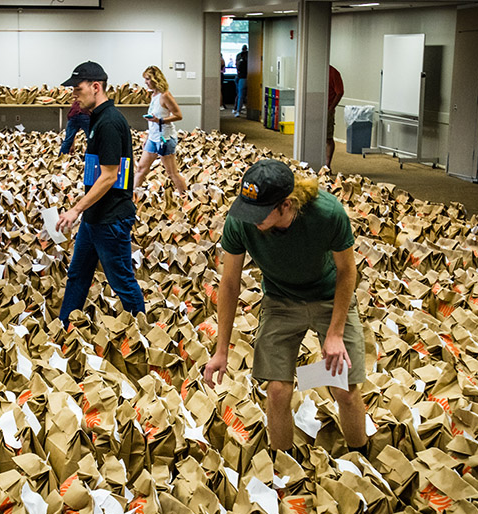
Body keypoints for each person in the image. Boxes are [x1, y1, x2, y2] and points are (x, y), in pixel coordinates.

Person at [203, 159, 368, 455]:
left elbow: (348, 272)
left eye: (260, 213)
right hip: (280, 300)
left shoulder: (327, 213)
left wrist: (335, 333)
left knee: (343, 387)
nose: (252, 220)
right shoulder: (240, 221)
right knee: (278, 391)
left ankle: (361, 456)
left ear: (286, 205)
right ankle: (285, 467)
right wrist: (221, 350)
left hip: (329, 296)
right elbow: (229, 284)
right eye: (248, 210)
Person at [55, 61, 145, 327]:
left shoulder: (108, 122)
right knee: (78, 274)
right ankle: (63, 327)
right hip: (95, 217)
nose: (74, 94)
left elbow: (109, 175)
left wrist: (75, 209)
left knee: (122, 283)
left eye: (77, 88)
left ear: (96, 87)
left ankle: (144, 334)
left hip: (111, 218)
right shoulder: (97, 118)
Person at [133, 66, 187, 196]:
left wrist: (160, 120)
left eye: (147, 79)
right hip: (153, 138)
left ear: (155, 79)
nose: (145, 82)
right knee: (141, 169)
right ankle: (132, 197)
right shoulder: (153, 95)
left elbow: (178, 115)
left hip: (165, 138)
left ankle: (186, 197)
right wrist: (147, 137)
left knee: (172, 173)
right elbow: (153, 122)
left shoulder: (165, 95)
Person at [327, 65, 344, 168]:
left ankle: (327, 165)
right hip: (314, 109)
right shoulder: (314, 72)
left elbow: (340, 92)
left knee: (328, 138)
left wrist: (331, 108)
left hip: (327, 109)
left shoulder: (333, 72)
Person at [233, 45, 248, 116]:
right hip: (243, 78)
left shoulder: (239, 57)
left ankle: (236, 109)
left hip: (238, 77)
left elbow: (237, 67)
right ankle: (238, 110)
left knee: (239, 95)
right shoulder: (247, 61)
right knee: (241, 95)